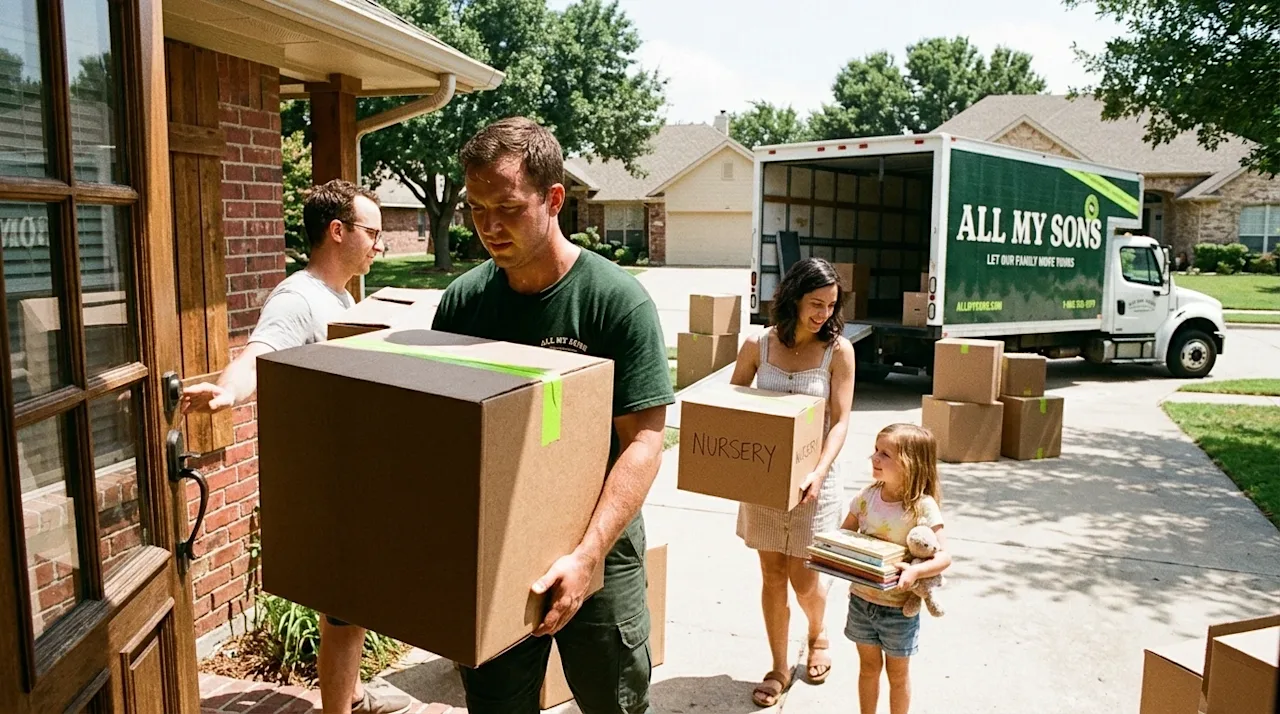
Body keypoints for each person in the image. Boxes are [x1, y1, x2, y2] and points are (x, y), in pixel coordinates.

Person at [431, 117, 672, 714]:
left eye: (507, 208)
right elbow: (443, 432)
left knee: (613, 701)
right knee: (495, 704)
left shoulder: (614, 301)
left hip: (600, 553)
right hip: (498, 554)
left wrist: (586, 555)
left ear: (553, 198)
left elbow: (643, 442)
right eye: (476, 208)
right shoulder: (464, 303)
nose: (488, 226)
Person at [181, 180, 407, 714]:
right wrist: (228, 391)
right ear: (337, 231)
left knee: (355, 599)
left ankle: (351, 693)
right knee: (344, 607)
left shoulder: (339, 296)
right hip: (328, 479)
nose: (379, 245)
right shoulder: (299, 298)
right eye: (372, 232)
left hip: (350, 468)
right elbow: (261, 350)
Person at [728, 258, 856, 707]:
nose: (823, 314)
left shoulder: (838, 351)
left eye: (830, 305)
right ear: (793, 298)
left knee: (804, 579)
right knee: (771, 574)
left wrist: (818, 473)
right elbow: (730, 407)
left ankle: (818, 634)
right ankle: (779, 666)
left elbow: (839, 422)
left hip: (815, 481)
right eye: (815, 304)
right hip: (765, 482)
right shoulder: (756, 345)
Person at [842, 424, 952, 714]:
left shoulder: (922, 507)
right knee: (867, 668)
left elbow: (944, 557)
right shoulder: (866, 497)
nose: (874, 458)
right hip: (862, 601)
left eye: (885, 454)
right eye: (876, 451)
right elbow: (843, 537)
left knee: (898, 676)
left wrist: (915, 572)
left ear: (911, 464)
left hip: (899, 610)